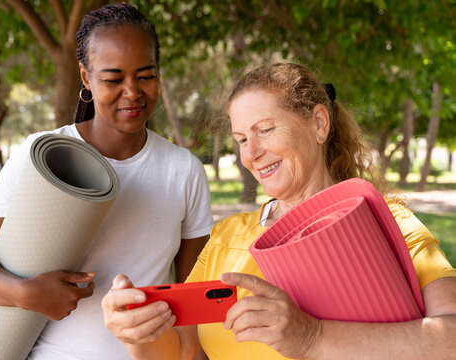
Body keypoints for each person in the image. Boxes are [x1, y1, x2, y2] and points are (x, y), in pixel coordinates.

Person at [101, 62, 456, 360]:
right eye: (241, 139)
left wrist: (311, 337)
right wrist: (137, 333)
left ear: (319, 123)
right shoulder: (227, 236)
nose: (251, 153)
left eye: (265, 130)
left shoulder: (383, 220)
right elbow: (181, 348)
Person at [0, 4, 213, 360]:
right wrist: (25, 293)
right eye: (113, 79)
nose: (132, 92)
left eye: (146, 75)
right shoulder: (43, 156)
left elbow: (191, 297)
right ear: (86, 77)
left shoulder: (184, 171)